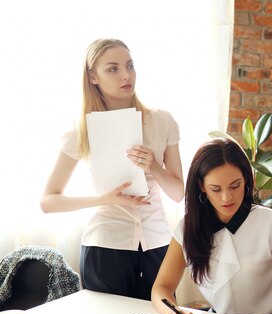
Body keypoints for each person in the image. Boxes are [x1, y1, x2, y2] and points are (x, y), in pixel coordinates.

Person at [40, 39, 184, 300]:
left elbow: (177, 193)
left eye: (130, 65)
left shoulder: (162, 121)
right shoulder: (80, 130)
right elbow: (48, 201)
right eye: (113, 69)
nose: (126, 75)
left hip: (158, 244)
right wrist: (103, 199)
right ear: (93, 77)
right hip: (106, 246)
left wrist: (154, 166)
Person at [151, 138, 272, 314]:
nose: (227, 197)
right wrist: (173, 313)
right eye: (216, 189)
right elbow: (161, 288)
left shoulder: (271, 222)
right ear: (201, 186)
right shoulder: (188, 228)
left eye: (235, 186)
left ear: (246, 180)